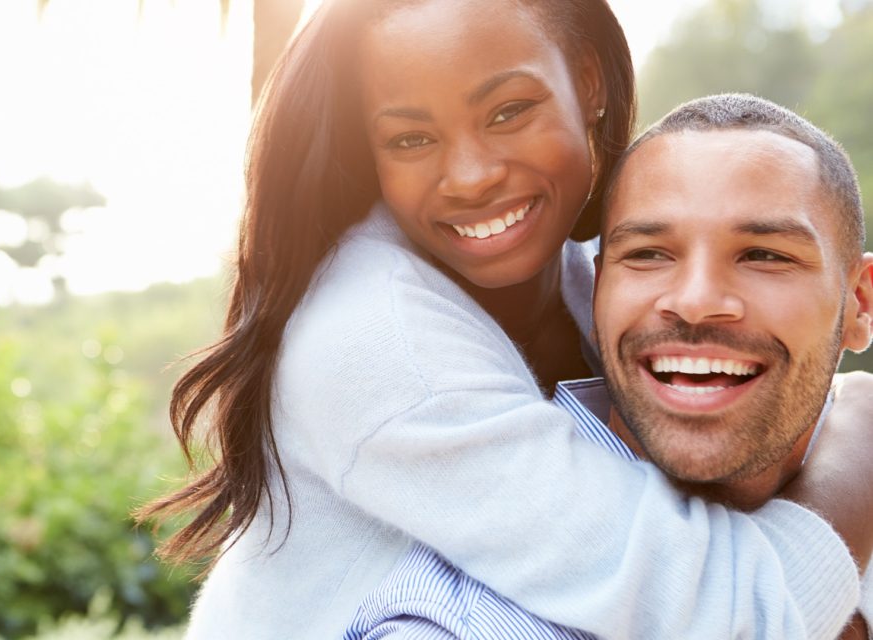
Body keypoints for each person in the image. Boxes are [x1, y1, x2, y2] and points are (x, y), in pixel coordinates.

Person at [137, 1, 873, 637]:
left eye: (508, 111)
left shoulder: (593, 272)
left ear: (587, 81)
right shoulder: (376, 339)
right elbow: (725, 615)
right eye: (410, 139)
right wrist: (858, 451)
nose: (471, 175)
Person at [344, 93, 873, 639]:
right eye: (647, 253)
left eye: (764, 255)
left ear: (859, 303)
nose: (694, 301)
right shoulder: (456, 624)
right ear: (598, 291)